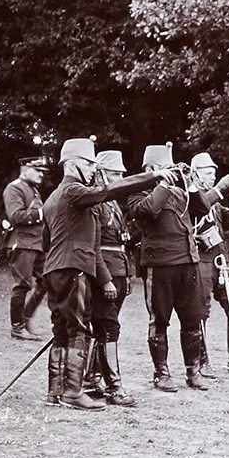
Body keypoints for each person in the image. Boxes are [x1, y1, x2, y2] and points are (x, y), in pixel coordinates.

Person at [41, 137, 173, 411]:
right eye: (89, 164)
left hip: (55, 268)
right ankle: (74, 392)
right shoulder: (73, 191)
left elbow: (46, 241)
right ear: (73, 164)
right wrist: (152, 177)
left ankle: (55, 392)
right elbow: (110, 190)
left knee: (61, 331)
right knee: (78, 328)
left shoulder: (52, 198)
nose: (93, 169)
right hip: (75, 267)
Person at [127, 143, 229, 393]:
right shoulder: (137, 193)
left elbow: (201, 208)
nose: (171, 171)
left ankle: (193, 371)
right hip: (159, 265)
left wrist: (189, 183)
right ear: (152, 169)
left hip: (187, 262)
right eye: (165, 167)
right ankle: (162, 374)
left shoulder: (181, 192)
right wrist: (164, 183)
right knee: (160, 320)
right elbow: (148, 209)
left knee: (193, 317)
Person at [83, 150, 140, 407]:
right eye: (115, 173)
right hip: (102, 273)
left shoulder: (114, 203)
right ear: (101, 173)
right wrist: (105, 279)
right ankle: (114, 388)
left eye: (121, 174)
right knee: (109, 329)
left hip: (118, 270)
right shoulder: (95, 203)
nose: (119, 177)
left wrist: (125, 276)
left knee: (105, 328)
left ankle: (92, 378)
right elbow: (94, 247)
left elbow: (121, 243)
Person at [189, 151, 229, 376]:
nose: (212, 177)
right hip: (200, 260)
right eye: (207, 172)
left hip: (221, 260)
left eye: (214, 173)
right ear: (195, 173)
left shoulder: (213, 202)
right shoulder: (190, 196)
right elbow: (198, 209)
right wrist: (219, 190)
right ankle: (201, 361)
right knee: (201, 311)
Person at [3, 156, 49, 341]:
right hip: (22, 243)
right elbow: (15, 216)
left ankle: (26, 316)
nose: (41, 175)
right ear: (25, 169)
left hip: (36, 244)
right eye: (37, 171)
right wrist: (42, 213)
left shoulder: (33, 190)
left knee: (47, 280)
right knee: (22, 285)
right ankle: (17, 327)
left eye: (42, 172)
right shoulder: (14, 188)